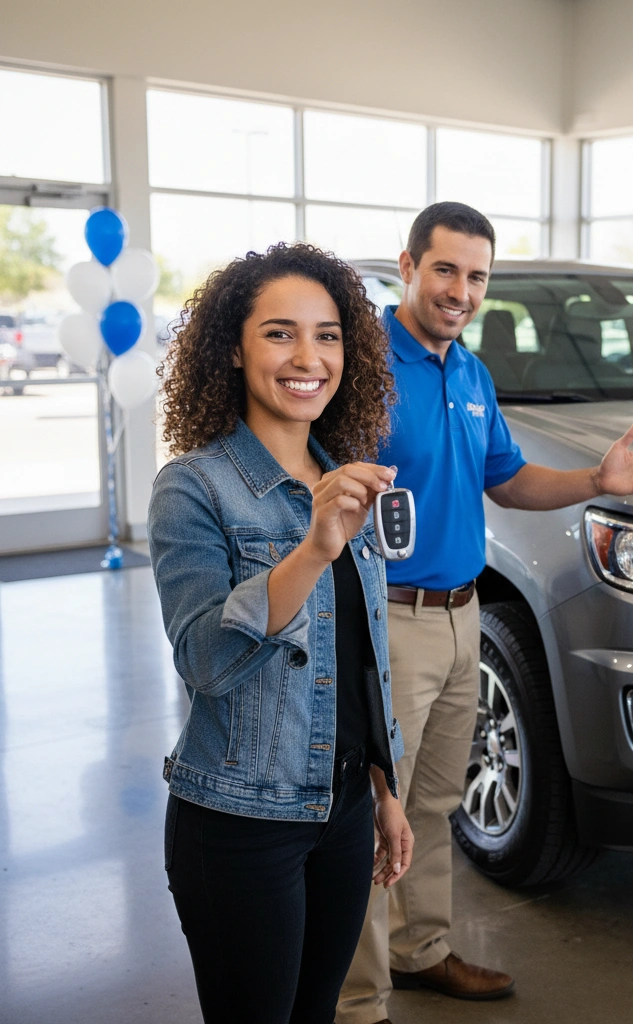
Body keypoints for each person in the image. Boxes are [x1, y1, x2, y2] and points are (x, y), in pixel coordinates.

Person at [335, 203, 633, 1024]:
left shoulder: (471, 372)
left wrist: (598, 483)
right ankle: (357, 1001)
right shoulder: (364, 370)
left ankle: (421, 952)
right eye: (446, 270)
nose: (461, 290)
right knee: (368, 814)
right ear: (409, 266)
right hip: (389, 620)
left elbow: (509, 479)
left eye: (477, 275)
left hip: (463, 617)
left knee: (432, 805)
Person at [149, 243, 414, 1024]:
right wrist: (312, 550)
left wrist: (382, 788)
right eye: (280, 333)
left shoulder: (342, 472)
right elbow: (204, 657)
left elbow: (360, 657)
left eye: (328, 335)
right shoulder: (192, 487)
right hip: (239, 821)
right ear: (233, 348)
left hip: (340, 812)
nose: (309, 357)